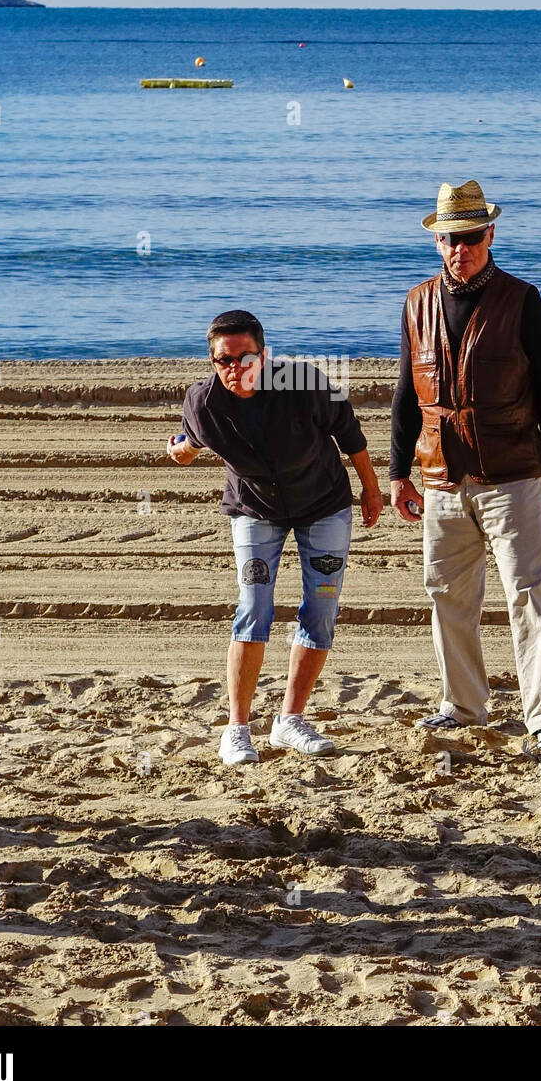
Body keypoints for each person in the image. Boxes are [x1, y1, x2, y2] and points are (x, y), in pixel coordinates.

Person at [389, 180, 541, 754]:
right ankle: (463, 705)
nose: (459, 249)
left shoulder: (522, 299)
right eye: (449, 240)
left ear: (490, 234)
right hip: (442, 474)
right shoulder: (417, 302)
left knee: (530, 594)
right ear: (437, 241)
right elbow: (405, 394)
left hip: (513, 472)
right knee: (446, 593)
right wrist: (398, 473)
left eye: (469, 238)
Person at [168, 309, 383, 765]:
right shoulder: (203, 403)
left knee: (321, 608)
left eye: (244, 357)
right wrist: (179, 451)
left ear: (264, 356)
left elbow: (351, 436)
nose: (235, 369)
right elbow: (188, 446)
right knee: (254, 608)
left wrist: (371, 489)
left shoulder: (305, 382)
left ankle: (289, 721)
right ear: (213, 362)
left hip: (323, 504)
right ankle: (237, 728)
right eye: (224, 360)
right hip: (255, 511)